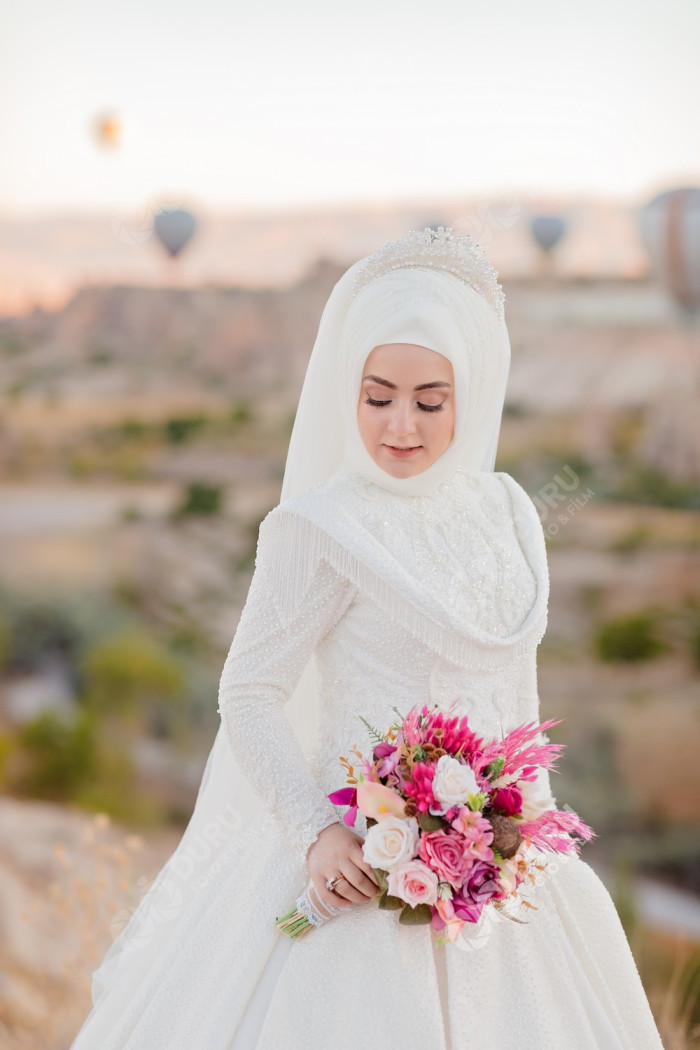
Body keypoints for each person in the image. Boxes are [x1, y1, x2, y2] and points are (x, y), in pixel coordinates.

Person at [69, 227, 665, 1049]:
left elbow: (518, 701)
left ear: (472, 394)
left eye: (431, 400)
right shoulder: (317, 528)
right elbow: (248, 692)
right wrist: (319, 833)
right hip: (352, 867)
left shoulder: (511, 513)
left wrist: (522, 840)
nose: (401, 426)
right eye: (378, 394)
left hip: (502, 878)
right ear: (347, 388)